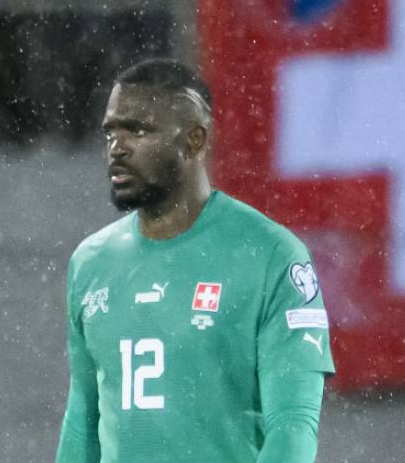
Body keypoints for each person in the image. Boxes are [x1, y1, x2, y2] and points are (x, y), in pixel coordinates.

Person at [55, 59, 336, 463]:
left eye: (137, 130)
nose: (117, 148)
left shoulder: (271, 256)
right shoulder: (91, 263)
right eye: (110, 132)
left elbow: (293, 425)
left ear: (193, 141)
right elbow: (83, 419)